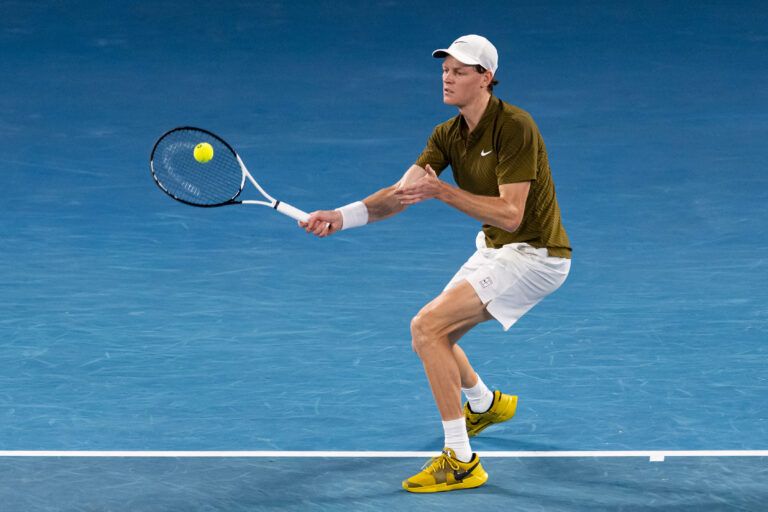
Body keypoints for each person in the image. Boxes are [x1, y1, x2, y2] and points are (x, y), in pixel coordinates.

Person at [300, 34, 571, 493]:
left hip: (534, 256)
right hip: (495, 250)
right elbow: (400, 193)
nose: (447, 77)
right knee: (433, 336)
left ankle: (461, 461)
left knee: (427, 328)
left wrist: (442, 190)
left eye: (460, 71)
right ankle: (484, 404)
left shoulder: (515, 127)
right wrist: (340, 217)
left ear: (485, 79)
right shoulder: (447, 134)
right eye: (445, 69)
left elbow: (511, 214)